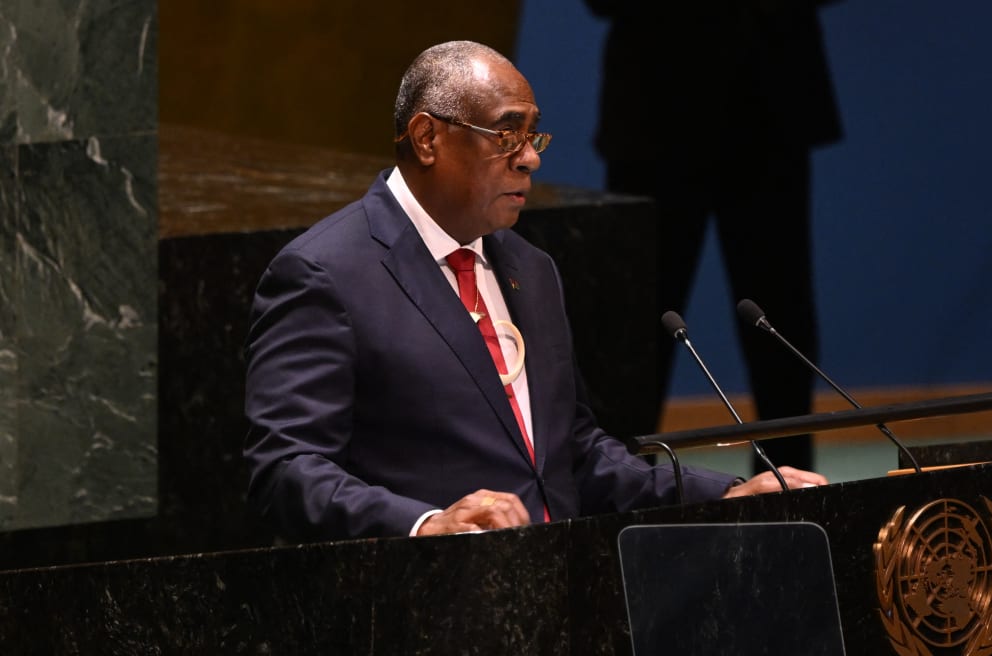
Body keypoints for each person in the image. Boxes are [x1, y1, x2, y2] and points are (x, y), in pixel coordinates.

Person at [242, 40, 827, 542]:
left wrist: (721, 494)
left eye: (531, 134)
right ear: (427, 138)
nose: (529, 159)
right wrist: (425, 523)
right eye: (506, 134)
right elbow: (287, 469)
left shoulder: (532, 268)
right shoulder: (326, 273)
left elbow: (571, 455)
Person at [584, 2, 844, 473]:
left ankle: (788, 489)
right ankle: (613, 489)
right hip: (654, 105)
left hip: (768, 101)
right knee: (640, 322)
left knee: (779, 317)